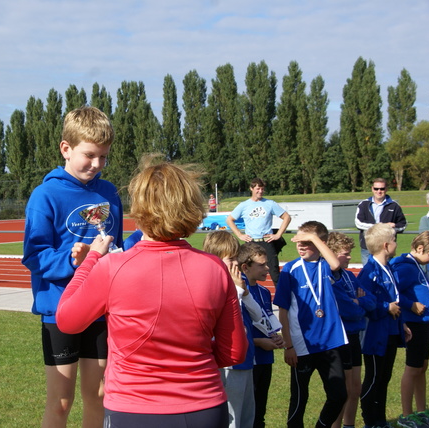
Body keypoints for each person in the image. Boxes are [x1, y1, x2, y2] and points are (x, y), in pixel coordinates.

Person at [56, 157, 248, 428]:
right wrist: (189, 358)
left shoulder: (112, 267)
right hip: (204, 406)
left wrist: (90, 261)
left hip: (134, 408)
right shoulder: (214, 267)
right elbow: (234, 353)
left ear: (140, 208)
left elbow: (67, 319)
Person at [21, 106, 123, 428]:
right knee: (61, 402)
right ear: (66, 148)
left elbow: (115, 245)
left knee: (101, 395)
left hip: (100, 310)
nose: (97, 165)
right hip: (60, 311)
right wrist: (71, 259)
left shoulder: (108, 193)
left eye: (104, 157)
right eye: (89, 155)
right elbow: (34, 255)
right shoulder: (44, 195)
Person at [273, 221, 348, 428]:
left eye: (307, 242)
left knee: (338, 395)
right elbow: (284, 311)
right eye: (298, 241)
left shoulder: (326, 265)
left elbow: (336, 265)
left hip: (330, 342)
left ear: (321, 242)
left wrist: (315, 238)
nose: (300, 245)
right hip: (302, 344)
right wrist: (288, 346)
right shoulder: (290, 269)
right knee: (299, 398)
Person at [356, 223, 411, 428]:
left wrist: (402, 324)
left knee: (384, 377)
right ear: (386, 245)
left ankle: (380, 419)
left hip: (390, 330)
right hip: (374, 335)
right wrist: (386, 307)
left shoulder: (387, 267)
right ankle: (370, 419)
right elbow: (366, 301)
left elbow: (395, 298)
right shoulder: (369, 272)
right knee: (374, 377)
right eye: (395, 240)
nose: (397, 243)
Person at [202, 232, 259, 428]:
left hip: (246, 358)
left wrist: (244, 291)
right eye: (231, 259)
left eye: (236, 257)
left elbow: (261, 319)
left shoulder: (239, 283)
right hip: (227, 364)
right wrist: (237, 291)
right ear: (215, 259)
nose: (236, 263)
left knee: (247, 417)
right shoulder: (210, 283)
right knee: (231, 417)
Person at [326, 232, 376, 428]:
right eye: (345, 254)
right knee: (343, 390)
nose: (349, 257)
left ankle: (349, 425)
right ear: (333, 253)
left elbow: (371, 301)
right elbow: (346, 309)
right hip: (342, 337)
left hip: (355, 335)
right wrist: (357, 304)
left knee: (355, 389)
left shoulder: (349, 276)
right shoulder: (330, 277)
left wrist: (359, 301)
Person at [238, 242, 285, 428]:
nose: (267, 268)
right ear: (245, 267)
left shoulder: (264, 291)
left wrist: (276, 336)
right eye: (261, 265)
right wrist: (259, 342)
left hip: (266, 357)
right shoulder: (237, 292)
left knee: (260, 411)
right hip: (249, 358)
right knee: (246, 412)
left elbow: (268, 320)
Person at [390, 231, 429, 428]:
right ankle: (407, 414)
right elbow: (393, 291)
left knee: (422, 367)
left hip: (425, 322)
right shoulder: (404, 267)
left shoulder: (420, 265)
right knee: (412, 367)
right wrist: (411, 305)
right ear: (420, 248)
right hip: (413, 323)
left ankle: (422, 410)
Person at [226, 177, 291, 286]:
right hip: (251, 242)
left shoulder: (270, 203)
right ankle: (247, 296)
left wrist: (278, 235)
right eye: (258, 189)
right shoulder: (244, 205)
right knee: (247, 271)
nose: (260, 191)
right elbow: (229, 219)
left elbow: (287, 217)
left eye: (262, 189)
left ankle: (281, 301)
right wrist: (239, 235)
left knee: (274, 272)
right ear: (251, 189)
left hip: (266, 241)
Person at [355, 178, 407, 265]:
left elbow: (403, 225)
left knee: (386, 273)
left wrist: (393, 227)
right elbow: (358, 223)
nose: (379, 191)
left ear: (386, 189)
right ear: (372, 189)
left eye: (382, 189)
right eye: (376, 189)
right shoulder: (364, 204)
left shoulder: (394, 206)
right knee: (368, 275)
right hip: (367, 247)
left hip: (386, 248)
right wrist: (382, 227)